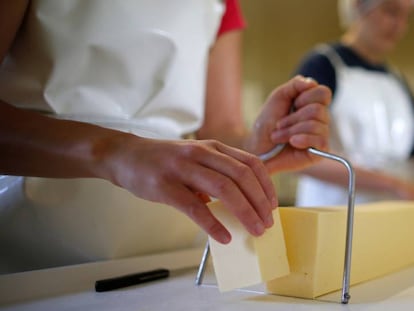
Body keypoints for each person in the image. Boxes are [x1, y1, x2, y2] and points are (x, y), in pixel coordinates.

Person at [0, 0, 330, 273]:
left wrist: (258, 148)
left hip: (174, 241)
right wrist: (117, 151)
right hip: (35, 241)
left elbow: (219, 129)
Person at [294, 0, 414, 207]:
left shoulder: (398, 82)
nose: (399, 25)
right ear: (359, 6)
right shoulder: (322, 66)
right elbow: (297, 156)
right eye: (391, 12)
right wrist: (392, 184)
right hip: (332, 216)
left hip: (388, 217)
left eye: (406, 17)